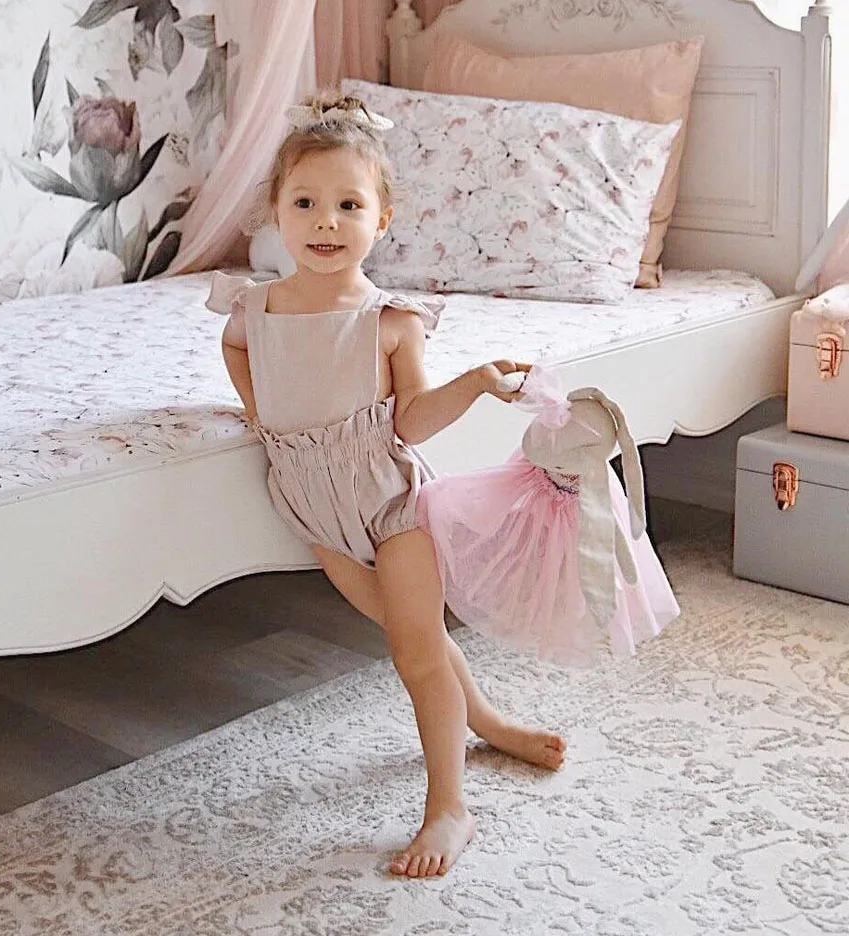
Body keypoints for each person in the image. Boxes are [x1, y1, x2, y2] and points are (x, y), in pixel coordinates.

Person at [206, 91, 566, 879]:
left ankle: (450, 809)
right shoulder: (254, 307)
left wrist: (474, 382)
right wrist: (256, 406)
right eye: (305, 203)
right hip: (312, 506)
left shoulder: (389, 320)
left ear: (382, 220)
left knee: (415, 652)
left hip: (391, 502)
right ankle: (489, 723)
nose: (326, 222)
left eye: (349, 205)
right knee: (417, 636)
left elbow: (412, 422)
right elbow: (235, 349)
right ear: (276, 214)